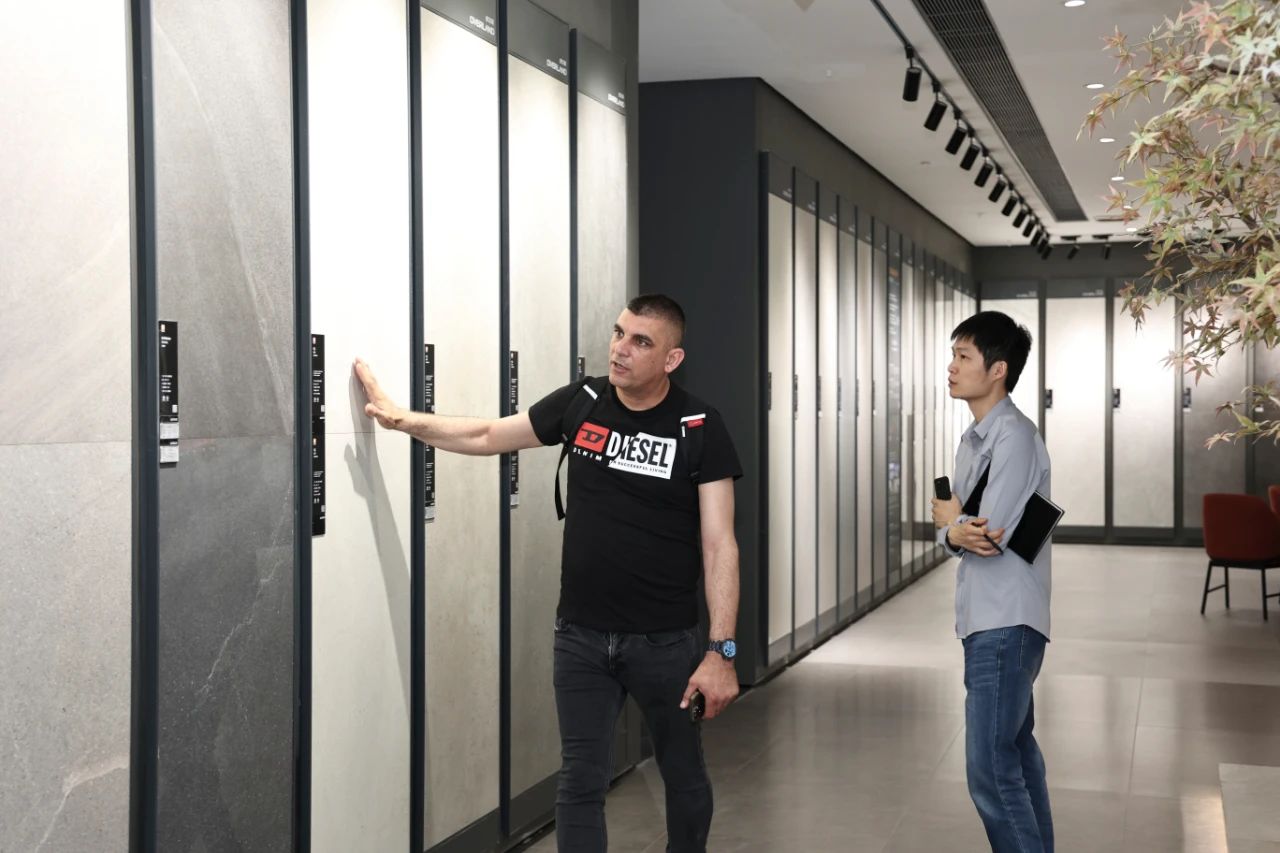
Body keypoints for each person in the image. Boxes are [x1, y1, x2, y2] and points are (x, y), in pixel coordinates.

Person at [355, 294, 742, 853]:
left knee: (682, 773)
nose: (620, 349)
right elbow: (489, 436)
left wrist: (720, 651)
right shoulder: (583, 402)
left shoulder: (698, 426)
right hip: (580, 636)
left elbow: (719, 542)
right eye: (619, 333)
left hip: (664, 642)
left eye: (641, 342)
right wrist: (400, 419)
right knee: (580, 781)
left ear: (671, 359)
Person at [930, 311, 1054, 853]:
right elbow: (962, 532)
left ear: (998, 369)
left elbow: (989, 533)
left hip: (1007, 620)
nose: (952, 367)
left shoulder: (1015, 436)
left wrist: (951, 524)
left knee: (990, 770)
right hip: (985, 616)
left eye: (964, 356)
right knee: (1017, 759)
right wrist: (955, 527)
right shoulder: (973, 439)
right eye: (953, 355)